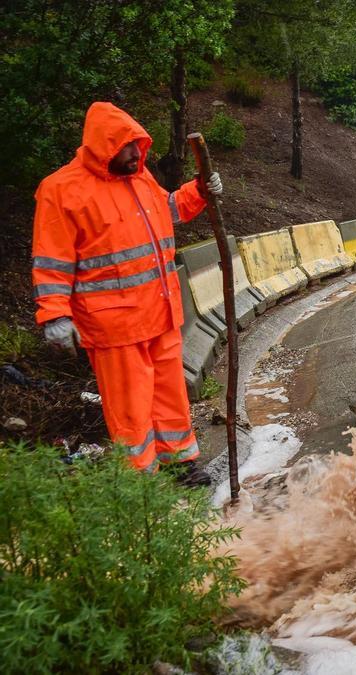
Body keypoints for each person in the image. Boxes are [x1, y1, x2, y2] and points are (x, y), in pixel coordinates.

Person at [32, 102, 222, 485]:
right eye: (127, 146)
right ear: (103, 146)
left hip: (161, 313)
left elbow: (166, 211)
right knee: (130, 409)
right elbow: (52, 259)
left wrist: (199, 190)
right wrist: (54, 315)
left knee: (170, 396)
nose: (137, 153)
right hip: (114, 326)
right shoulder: (61, 191)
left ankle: (179, 466)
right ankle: (141, 485)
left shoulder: (138, 178)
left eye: (138, 144)